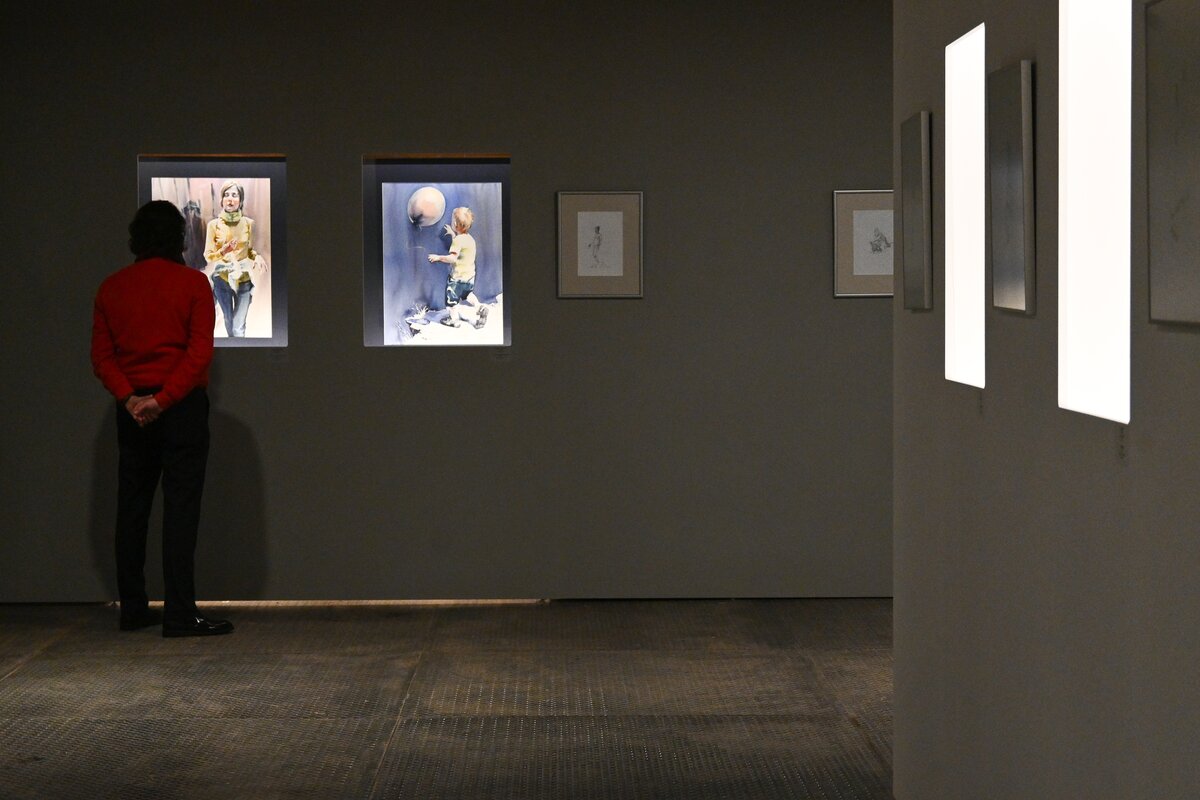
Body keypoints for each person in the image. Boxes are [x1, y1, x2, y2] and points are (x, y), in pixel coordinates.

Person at [91, 200, 233, 637]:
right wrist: (165, 399)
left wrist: (131, 399)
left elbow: (102, 357)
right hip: (181, 408)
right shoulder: (192, 284)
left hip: (133, 411)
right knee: (181, 509)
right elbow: (198, 354)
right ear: (179, 238)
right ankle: (179, 613)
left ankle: (133, 609)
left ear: (135, 239)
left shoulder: (112, 288)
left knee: (132, 508)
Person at [204, 180, 268, 337]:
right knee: (229, 321)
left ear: (241, 200)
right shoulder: (213, 225)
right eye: (226, 195)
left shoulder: (249, 223)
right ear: (222, 200)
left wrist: (257, 256)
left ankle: (240, 350)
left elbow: (249, 250)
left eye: (234, 195)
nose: (230, 199)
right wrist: (223, 251)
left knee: (238, 327)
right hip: (221, 279)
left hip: (243, 279)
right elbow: (208, 255)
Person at [427, 206, 489, 329]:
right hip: (469, 277)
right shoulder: (470, 240)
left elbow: (453, 258)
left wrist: (438, 257)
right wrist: (453, 234)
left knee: (451, 301)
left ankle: (453, 320)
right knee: (468, 294)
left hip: (457, 278)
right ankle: (479, 306)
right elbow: (462, 247)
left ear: (455, 224)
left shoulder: (458, 241)